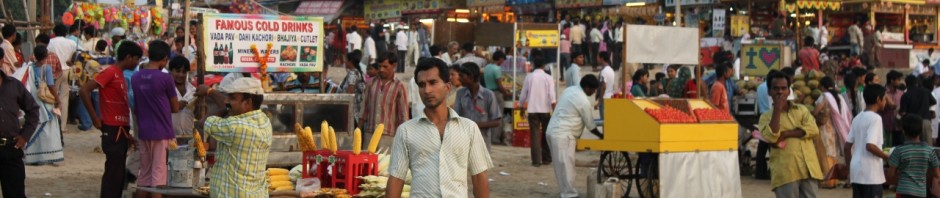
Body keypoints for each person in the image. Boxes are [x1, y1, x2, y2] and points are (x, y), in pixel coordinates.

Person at [385, 58, 493, 198]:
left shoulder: (469, 129)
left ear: (447, 87)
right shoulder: (406, 131)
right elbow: (396, 179)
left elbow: (479, 178)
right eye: (422, 85)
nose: (427, 90)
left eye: (433, 82)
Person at [80, 41, 141, 198]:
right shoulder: (111, 72)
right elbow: (85, 90)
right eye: (136, 59)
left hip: (120, 130)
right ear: (128, 57)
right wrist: (95, 117)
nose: (137, 63)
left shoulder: (119, 74)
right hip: (112, 129)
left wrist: (128, 136)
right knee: (113, 174)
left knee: (118, 173)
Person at [199, 78, 272, 197]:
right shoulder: (264, 121)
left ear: (247, 103)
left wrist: (225, 107)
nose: (226, 101)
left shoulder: (235, 127)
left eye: (232, 98)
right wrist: (230, 105)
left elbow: (204, 122)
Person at [759, 71, 823, 198]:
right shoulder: (765, 117)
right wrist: (777, 109)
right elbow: (772, 136)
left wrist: (787, 133)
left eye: (783, 88)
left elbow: (813, 129)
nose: (780, 92)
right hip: (786, 172)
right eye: (775, 88)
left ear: (789, 91)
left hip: (808, 168)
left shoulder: (802, 110)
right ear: (769, 92)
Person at [131, 41, 180, 196]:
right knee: (158, 177)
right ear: (165, 58)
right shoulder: (166, 78)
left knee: (144, 176)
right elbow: (175, 107)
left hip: (144, 130)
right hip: (161, 131)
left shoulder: (136, 77)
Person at [547, 75, 603, 198]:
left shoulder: (570, 90)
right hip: (563, 135)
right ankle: (569, 194)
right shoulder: (583, 100)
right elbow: (591, 126)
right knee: (567, 167)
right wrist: (602, 136)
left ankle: (565, 192)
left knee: (560, 167)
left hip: (552, 131)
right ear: (587, 88)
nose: (594, 92)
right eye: (593, 90)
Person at [0, 48, 39, 198]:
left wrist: (25, 136)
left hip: (11, 148)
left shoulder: (14, 85)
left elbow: (33, 110)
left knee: (15, 193)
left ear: (1, 61)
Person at [845, 84, 890, 198]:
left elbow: (847, 146)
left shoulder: (857, 117)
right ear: (878, 100)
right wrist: (887, 157)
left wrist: (849, 167)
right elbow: (870, 146)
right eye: (884, 98)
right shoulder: (876, 118)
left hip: (856, 171)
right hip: (870, 173)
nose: (885, 101)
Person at [21, 46, 63, 166]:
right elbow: (51, 85)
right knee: (49, 128)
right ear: (46, 56)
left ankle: (33, 155)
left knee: (34, 127)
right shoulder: (47, 68)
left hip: (33, 100)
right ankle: (49, 155)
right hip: (45, 101)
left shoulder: (29, 68)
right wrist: (58, 100)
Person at [360, 52, 410, 150]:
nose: (382, 69)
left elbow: (403, 115)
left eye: (385, 66)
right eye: (379, 66)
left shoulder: (399, 86)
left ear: (394, 66)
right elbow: (364, 109)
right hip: (370, 134)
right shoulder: (371, 83)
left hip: (389, 136)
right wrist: (358, 130)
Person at [812, 77, 852, 188]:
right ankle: (833, 180)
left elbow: (816, 111)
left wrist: (811, 113)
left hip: (824, 129)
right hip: (834, 129)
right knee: (832, 154)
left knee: (825, 153)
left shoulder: (824, 96)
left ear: (823, 87)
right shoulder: (838, 97)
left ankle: (827, 181)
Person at [887, 114, 940, 198]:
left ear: (903, 131)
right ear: (921, 130)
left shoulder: (899, 150)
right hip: (921, 192)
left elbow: (890, 174)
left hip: (903, 191)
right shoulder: (929, 150)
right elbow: (937, 174)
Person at [453, 62, 501, 152]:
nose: (459, 78)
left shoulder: (488, 95)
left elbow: (496, 122)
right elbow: (456, 116)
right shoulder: (460, 93)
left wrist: (474, 125)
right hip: (464, 142)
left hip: (482, 142)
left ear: (470, 77)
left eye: (461, 76)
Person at [519, 58, 556, 167]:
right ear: (543, 66)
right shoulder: (548, 78)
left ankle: (536, 161)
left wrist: (521, 106)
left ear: (534, 65)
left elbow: (523, 94)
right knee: (546, 134)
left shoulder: (529, 77)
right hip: (545, 110)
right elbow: (552, 97)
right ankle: (546, 159)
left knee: (534, 135)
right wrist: (555, 111)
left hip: (532, 110)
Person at [899, 75, 937, 145]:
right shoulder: (926, 91)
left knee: (911, 145)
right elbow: (934, 102)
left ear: (906, 84)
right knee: (928, 146)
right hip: (925, 122)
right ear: (917, 83)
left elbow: (903, 113)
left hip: (912, 124)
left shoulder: (905, 95)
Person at [169, 57, 196, 138]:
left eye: (184, 72)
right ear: (170, 71)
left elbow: (197, 115)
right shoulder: (164, 89)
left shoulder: (193, 90)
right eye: (177, 71)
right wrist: (175, 106)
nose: (181, 75)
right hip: (170, 136)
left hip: (189, 135)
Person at [341, 50, 367, 127]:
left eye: (346, 60)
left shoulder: (352, 73)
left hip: (352, 111)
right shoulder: (358, 72)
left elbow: (350, 92)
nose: (344, 62)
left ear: (350, 61)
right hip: (357, 110)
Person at [884, 71, 906, 146]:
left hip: (899, 127)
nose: (900, 82)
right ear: (892, 80)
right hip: (886, 126)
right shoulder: (883, 93)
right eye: (898, 80)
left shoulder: (901, 93)